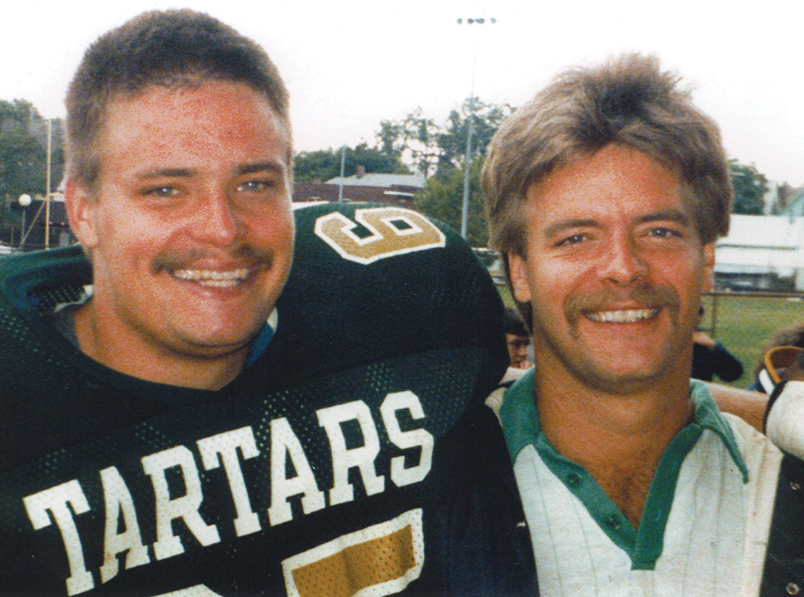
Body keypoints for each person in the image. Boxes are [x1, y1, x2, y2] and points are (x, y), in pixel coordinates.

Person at [0, 10, 536, 595]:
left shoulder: (404, 327)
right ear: (83, 211)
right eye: (165, 190)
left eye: (254, 183)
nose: (223, 229)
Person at [482, 53, 804, 595]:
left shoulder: (788, 478)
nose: (623, 268)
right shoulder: (424, 482)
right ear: (521, 272)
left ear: (706, 258)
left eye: (658, 232)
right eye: (575, 237)